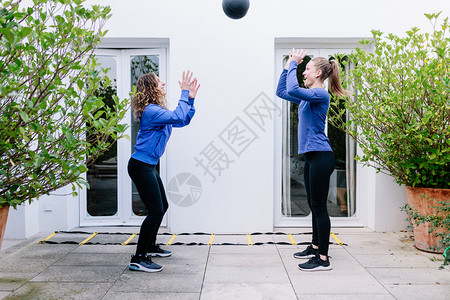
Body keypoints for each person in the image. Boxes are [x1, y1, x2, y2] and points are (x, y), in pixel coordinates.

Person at [276, 49, 349, 271]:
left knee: (319, 207)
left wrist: (294, 65)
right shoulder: (308, 98)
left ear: (318, 73)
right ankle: (315, 245)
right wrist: (288, 65)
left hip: (321, 156)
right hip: (312, 157)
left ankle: (323, 258)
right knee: (313, 204)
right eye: (303, 69)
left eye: (306, 70)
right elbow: (282, 91)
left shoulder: (321, 94)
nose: (303, 73)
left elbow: (292, 87)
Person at [128, 71, 200, 272]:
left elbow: (182, 120)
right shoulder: (151, 111)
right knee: (156, 210)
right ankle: (139, 256)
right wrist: (184, 92)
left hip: (148, 164)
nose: (164, 83)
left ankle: (150, 246)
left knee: (163, 206)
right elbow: (178, 115)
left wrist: (190, 100)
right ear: (152, 87)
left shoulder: (156, 110)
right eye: (160, 82)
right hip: (140, 165)